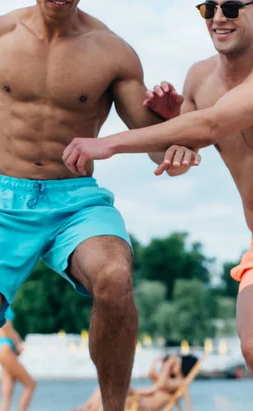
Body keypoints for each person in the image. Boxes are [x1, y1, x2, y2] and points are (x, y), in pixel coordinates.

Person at [0, 0, 182, 411]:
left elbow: (161, 154)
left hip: (77, 200)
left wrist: (170, 122)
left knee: (114, 276)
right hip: (6, 201)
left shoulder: (112, 51)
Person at [63, 1, 253, 375]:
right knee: (250, 345)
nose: (217, 18)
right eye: (208, 8)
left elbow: (210, 125)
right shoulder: (199, 79)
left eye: (231, 7)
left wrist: (110, 142)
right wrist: (169, 123)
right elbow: (175, 159)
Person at [73, 354, 198, 411]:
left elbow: (161, 383)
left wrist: (168, 364)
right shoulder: (171, 380)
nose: (174, 366)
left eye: (177, 364)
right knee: (105, 387)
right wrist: (157, 361)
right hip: (140, 402)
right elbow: (151, 374)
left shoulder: (179, 383)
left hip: (144, 408)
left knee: (111, 395)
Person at [0, 307, 36, 411]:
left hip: (0, 347)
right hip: (5, 347)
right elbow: (7, 328)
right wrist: (18, 344)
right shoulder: (5, 306)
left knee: (7, 391)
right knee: (30, 384)